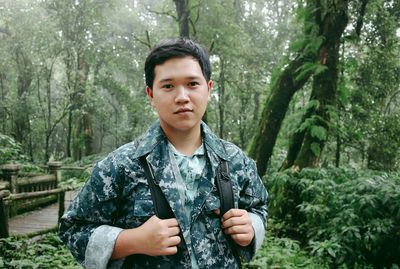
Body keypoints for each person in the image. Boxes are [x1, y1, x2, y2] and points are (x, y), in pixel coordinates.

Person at [59, 37, 268, 269]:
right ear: (151, 95)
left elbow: (259, 207)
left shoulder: (235, 161)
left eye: (192, 84)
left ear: (208, 89)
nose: (182, 97)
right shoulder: (121, 165)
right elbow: (73, 228)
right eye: (168, 86)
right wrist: (132, 240)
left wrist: (251, 225)